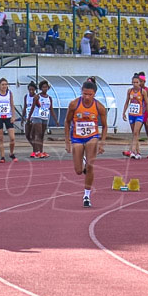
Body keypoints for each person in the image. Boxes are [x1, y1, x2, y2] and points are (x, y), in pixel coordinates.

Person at [64, 77, 107, 208]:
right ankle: (83, 162)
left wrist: (102, 142)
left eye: (90, 94)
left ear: (94, 94)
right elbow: (67, 122)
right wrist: (67, 141)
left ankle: (86, 195)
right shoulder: (74, 104)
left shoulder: (99, 107)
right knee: (78, 171)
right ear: (81, 92)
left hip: (92, 137)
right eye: (84, 94)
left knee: (90, 166)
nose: (87, 97)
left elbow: (105, 126)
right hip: (77, 137)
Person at [0, 78, 17, 163]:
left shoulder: (9, 94)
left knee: (12, 138)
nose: (4, 86)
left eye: (6, 84)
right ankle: (2, 156)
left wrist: (13, 116)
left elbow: (12, 105)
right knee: (1, 138)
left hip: (8, 117)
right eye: (2, 84)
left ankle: (11, 153)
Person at [122, 73, 148, 159]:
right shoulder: (130, 91)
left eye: (136, 82)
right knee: (134, 134)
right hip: (131, 114)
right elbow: (127, 102)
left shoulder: (143, 92)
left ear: (139, 83)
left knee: (136, 132)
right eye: (133, 82)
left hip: (139, 115)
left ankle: (132, 151)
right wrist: (123, 112)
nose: (135, 84)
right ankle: (138, 152)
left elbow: (147, 104)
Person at [26, 80, 52, 158]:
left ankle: (40, 151)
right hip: (36, 117)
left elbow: (51, 109)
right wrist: (28, 118)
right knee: (32, 135)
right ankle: (36, 151)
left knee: (41, 135)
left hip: (44, 117)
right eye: (43, 87)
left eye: (46, 87)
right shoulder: (36, 97)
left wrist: (56, 120)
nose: (45, 88)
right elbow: (32, 107)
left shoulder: (49, 98)